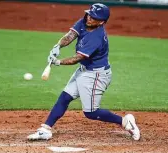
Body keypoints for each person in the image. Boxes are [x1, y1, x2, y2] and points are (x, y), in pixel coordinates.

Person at [27, 3, 140, 141]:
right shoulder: (85, 20)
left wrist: (58, 62)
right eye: (89, 14)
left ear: (101, 22)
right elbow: (71, 35)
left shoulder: (96, 37)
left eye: (94, 18)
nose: (89, 18)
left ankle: (125, 122)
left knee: (91, 112)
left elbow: (77, 58)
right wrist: (58, 46)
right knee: (65, 97)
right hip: (84, 70)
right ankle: (45, 129)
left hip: (96, 75)